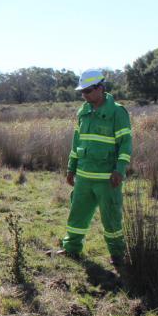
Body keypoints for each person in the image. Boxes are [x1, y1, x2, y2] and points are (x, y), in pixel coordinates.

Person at [50, 69, 132, 266]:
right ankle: (71, 249)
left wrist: (119, 170)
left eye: (87, 91)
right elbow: (76, 143)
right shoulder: (83, 112)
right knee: (77, 214)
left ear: (100, 88)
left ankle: (117, 254)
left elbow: (126, 144)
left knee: (111, 218)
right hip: (84, 177)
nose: (83, 95)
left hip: (107, 179)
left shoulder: (117, 112)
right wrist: (71, 168)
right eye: (82, 92)